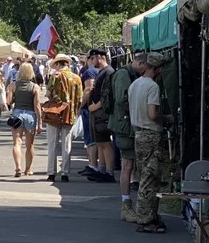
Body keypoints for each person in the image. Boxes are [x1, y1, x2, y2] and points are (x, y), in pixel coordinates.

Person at [128, 52, 168, 233]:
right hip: (151, 134)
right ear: (157, 69)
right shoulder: (153, 87)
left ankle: (148, 213)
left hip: (138, 133)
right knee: (150, 178)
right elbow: (152, 114)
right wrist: (166, 118)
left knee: (143, 173)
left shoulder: (135, 85)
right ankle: (146, 218)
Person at [111, 51, 146, 222]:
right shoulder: (124, 75)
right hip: (125, 126)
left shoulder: (128, 74)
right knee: (127, 165)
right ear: (140, 64)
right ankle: (126, 205)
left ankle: (130, 205)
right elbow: (122, 100)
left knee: (131, 165)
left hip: (127, 125)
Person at [43, 54, 82, 182]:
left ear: (58, 64)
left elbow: (48, 94)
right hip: (69, 113)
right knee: (67, 144)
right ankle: (65, 173)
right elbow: (80, 98)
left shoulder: (55, 76)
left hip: (55, 113)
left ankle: (51, 172)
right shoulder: (77, 78)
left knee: (52, 144)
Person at [84, 49, 117, 183]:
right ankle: (102, 169)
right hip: (96, 113)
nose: (91, 62)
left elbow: (107, 94)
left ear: (99, 57)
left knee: (105, 143)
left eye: (92, 58)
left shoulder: (108, 72)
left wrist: (95, 106)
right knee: (100, 143)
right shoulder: (101, 73)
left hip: (102, 113)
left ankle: (109, 172)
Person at [7, 62, 42, 176]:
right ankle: (28, 169)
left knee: (17, 142)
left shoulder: (13, 85)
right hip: (30, 115)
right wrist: (40, 122)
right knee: (30, 145)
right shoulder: (35, 87)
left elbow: (8, 101)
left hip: (17, 114)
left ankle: (18, 167)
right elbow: (37, 106)